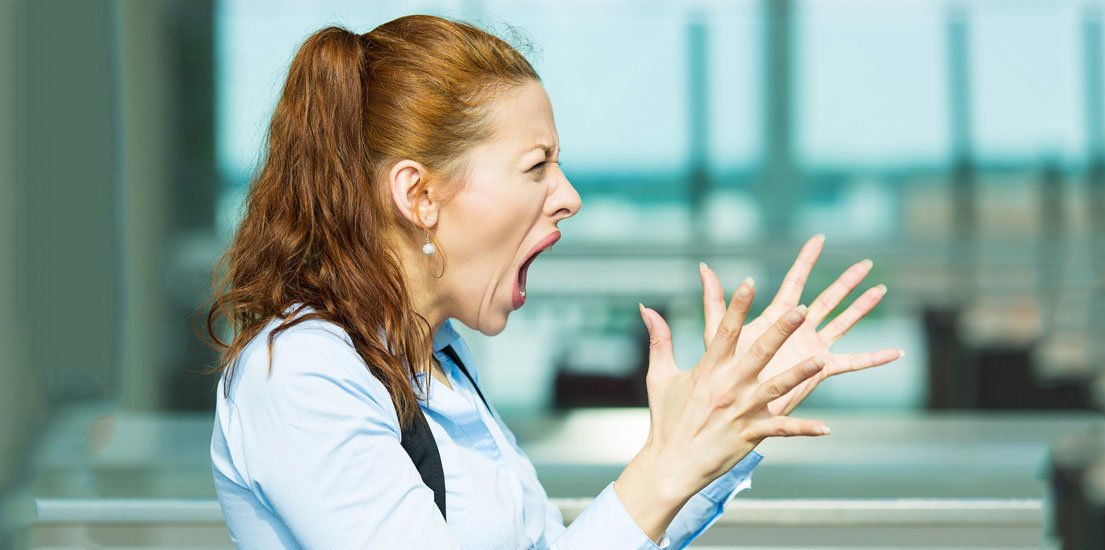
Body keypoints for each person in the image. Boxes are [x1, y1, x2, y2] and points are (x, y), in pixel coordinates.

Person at [205, 14, 902, 549]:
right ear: (418, 195)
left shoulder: (439, 362)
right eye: (537, 166)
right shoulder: (302, 373)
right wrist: (663, 465)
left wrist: (716, 434)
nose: (568, 196)